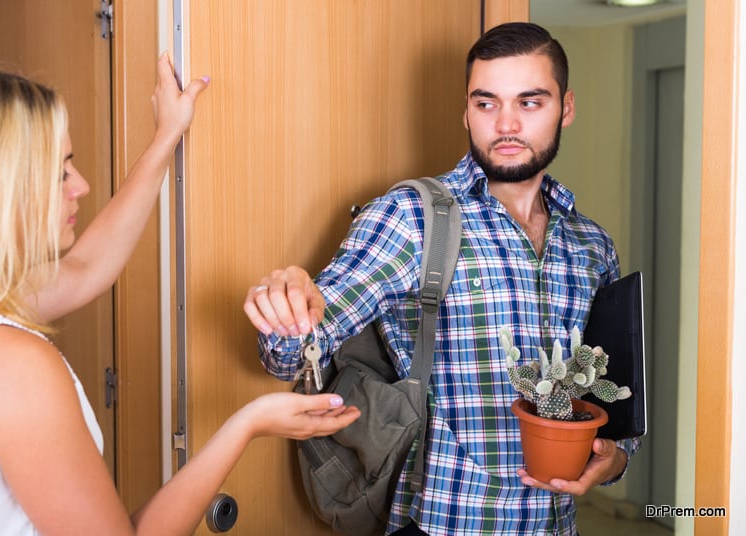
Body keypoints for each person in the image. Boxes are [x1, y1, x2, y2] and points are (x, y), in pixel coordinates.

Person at [243, 22, 640, 536]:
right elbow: (290, 355)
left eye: (530, 102)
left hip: (556, 525)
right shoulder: (413, 217)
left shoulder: (592, 245)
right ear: (466, 111)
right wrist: (286, 309)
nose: (506, 124)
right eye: (487, 103)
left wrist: (617, 461)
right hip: (440, 522)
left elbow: (612, 400)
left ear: (565, 108)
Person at [0, 56, 360, 534]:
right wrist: (248, 424)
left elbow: (86, 268)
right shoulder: (12, 366)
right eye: (60, 173)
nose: (80, 185)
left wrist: (168, 133)